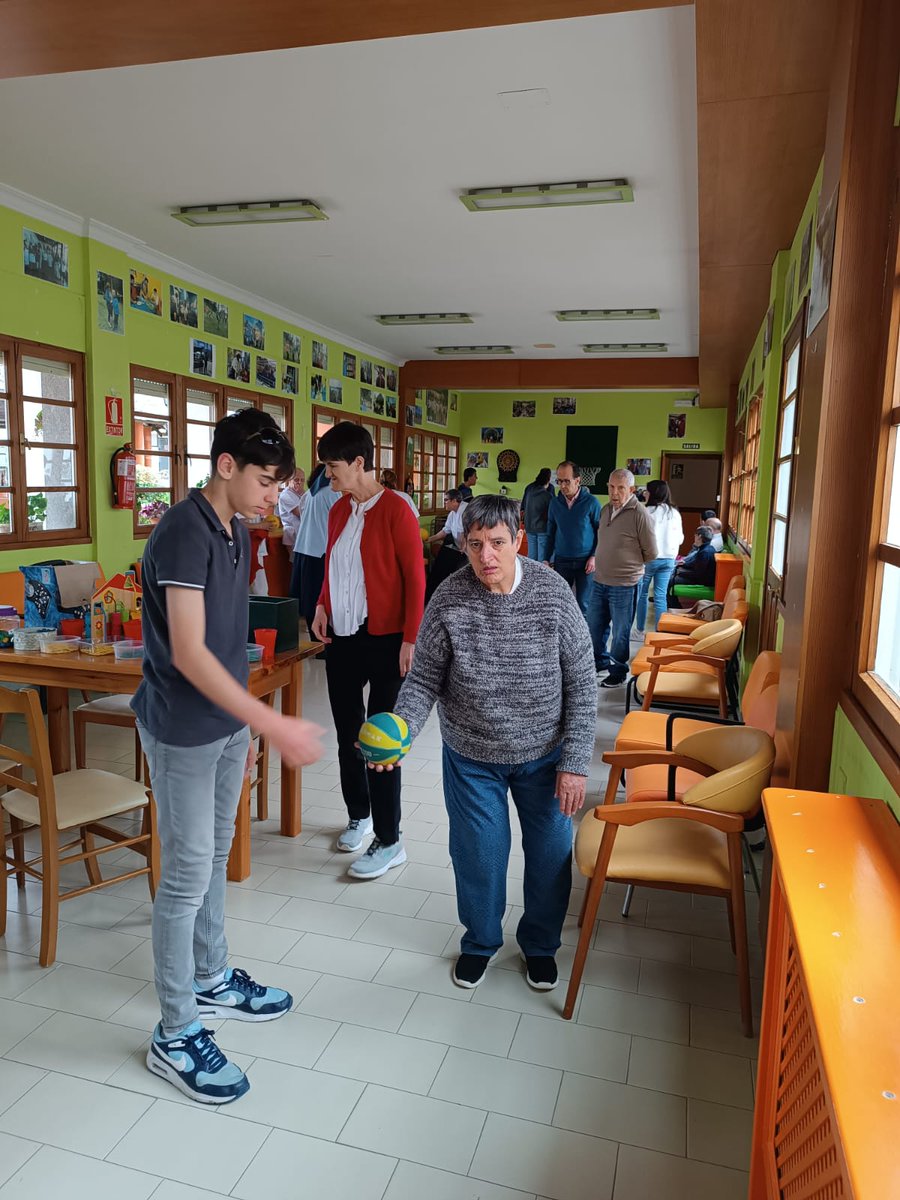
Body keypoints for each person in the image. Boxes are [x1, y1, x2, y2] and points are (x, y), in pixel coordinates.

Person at [132, 408, 324, 1105]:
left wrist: (242, 734)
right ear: (226, 467)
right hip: (181, 729)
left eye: (279, 484)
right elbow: (185, 652)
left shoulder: (239, 531)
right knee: (184, 876)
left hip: (220, 729)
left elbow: (228, 641)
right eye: (267, 481)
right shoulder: (184, 532)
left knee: (212, 858)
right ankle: (174, 1032)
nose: (276, 495)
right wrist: (269, 723)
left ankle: (210, 980)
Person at [389, 495, 597, 992]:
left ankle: (541, 945)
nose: (487, 557)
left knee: (549, 854)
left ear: (518, 540)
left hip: (545, 755)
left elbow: (583, 682)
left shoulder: (551, 593)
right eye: (476, 544)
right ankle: (481, 942)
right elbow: (423, 681)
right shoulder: (449, 598)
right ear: (463, 544)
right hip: (471, 755)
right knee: (479, 855)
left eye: (498, 543)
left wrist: (574, 762)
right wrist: (401, 730)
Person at [311, 421, 425, 879]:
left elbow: (416, 579)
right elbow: (333, 566)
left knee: (380, 741)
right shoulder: (338, 509)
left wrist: (411, 638)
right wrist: (321, 603)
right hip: (342, 636)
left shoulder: (397, 509)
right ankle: (358, 815)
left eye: (333, 467)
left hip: (385, 639)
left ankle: (390, 837)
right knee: (346, 734)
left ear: (360, 463)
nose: (327, 475)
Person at [588, 467, 658, 687]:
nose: (614, 492)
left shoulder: (640, 514)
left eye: (620, 488)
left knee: (620, 632)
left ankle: (618, 672)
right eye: (610, 487)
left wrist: (629, 564)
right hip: (600, 580)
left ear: (631, 489)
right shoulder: (605, 509)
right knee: (595, 626)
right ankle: (599, 662)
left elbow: (652, 552)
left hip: (625, 584)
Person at [543, 460, 600, 616]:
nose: (562, 486)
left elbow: (601, 532)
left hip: (585, 562)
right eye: (559, 481)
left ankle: (584, 639)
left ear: (578, 480)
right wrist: (546, 559)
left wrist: (594, 556)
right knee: (561, 603)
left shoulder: (592, 503)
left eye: (566, 481)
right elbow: (550, 532)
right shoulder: (555, 503)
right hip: (562, 561)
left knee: (583, 605)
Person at [289, 463, 340, 641]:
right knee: (319, 598)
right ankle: (322, 640)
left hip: (305, 549)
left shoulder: (310, 494)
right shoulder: (331, 494)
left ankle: (315, 640)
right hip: (320, 551)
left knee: (309, 598)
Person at [635, 479, 684, 633]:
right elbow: (681, 538)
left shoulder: (647, 511)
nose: (645, 493)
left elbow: (640, 537)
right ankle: (659, 632)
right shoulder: (674, 513)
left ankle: (640, 630)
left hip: (650, 558)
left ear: (653, 493)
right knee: (660, 596)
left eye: (647, 491)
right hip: (669, 559)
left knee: (642, 594)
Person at [425, 489, 468, 601]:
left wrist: (463, 547)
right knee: (440, 562)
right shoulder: (452, 513)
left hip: (468, 551)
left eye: (446, 500)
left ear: (454, 501)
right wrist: (429, 539)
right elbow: (445, 531)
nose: (444, 503)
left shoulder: (466, 511)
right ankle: (430, 596)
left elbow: (468, 532)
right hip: (459, 548)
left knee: (450, 565)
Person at [672, 524, 717, 596]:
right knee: (674, 572)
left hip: (703, 581)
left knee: (670, 580)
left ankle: (672, 604)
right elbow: (697, 565)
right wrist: (684, 564)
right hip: (702, 577)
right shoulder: (709, 548)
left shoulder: (704, 552)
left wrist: (681, 573)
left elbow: (698, 574)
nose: (694, 538)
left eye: (695, 536)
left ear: (699, 536)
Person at [521, 467, 554, 562]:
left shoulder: (529, 488)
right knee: (542, 557)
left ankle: (530, 575)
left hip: (529, 526)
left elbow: (522, 507)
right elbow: (552, 511)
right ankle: (540, 576)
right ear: (548, 479)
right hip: (542, 527)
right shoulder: (548, 494)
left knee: (531, 555)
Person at [276, 468, 306, 560]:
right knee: (297, 564)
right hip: (293, 535)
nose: (299, 482)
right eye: (296, 480)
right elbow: (300, 513)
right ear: (289, 480)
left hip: (303, 534)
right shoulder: (286, 495)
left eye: (302, 480)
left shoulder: (302, 493)